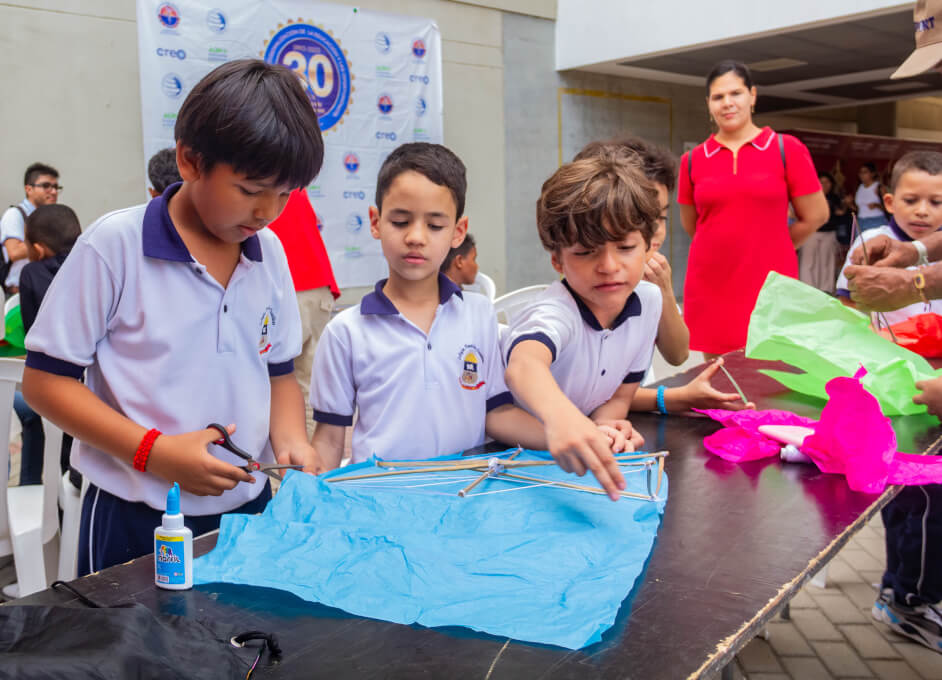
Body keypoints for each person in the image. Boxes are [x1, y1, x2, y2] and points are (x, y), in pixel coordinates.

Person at [22, 59, 324, 576]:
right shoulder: (114, 247)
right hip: (135, 517)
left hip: (248, 510)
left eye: (284, 194)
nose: (267, 212)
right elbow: (46, 383)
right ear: (190, 161)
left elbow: (278, 374)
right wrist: (153, 452)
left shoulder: (269, 253)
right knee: (131, 630)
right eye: (250, 190)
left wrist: (293, 442)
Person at [309, 143, 629, 500]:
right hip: (379, 499)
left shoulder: (478, 314)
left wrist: (579, 434)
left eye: (435, 225)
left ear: (458, 232)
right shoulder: (346, 332)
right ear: (375, 222)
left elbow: (497, 414)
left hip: (466, 496)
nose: (416, 237)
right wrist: (316, 502)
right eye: (400, 222)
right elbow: (330, 439)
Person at [845, 4, 942, 654]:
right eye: (912, 201)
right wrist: (915, 260)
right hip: (906, 392)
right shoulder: (877, 244)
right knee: (915, 500)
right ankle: (905, 593)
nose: (923, 212)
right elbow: (851, 310)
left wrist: (917, 280)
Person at [502, 152, 659, 477]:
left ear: (648, 246)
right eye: (586, 252)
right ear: (557, 261)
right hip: (512, 457)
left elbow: (620, 396)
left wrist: (606, 428)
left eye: (625, 248)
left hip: (572, 459)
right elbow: (524, 365)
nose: (609, 266)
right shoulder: (556, 313)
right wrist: (566, 421)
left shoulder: (649, 301)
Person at [571, 139, 751, 414]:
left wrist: (663, 290)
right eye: (641, 217)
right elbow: (587, 395)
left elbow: (678, 354)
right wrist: (673, 397)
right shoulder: (591, 289)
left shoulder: (647, 288)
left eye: (662, 218)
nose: (654, 230)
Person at [678, 60, 827, 359]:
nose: (727, 103)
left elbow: (817, 215)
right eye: (718, 97)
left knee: (772, 370)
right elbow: (694, 226)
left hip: (769, 284)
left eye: (736, 93)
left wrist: (775, 246)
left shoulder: (786, 148)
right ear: (708, 104)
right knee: (718, 375)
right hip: (712, 285)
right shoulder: (693, 160)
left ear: (752, 96)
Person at [837, 151, 942, 324]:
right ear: (889, 203)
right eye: (910, 200)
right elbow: (848, 301)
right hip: (885, 339)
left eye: (936, 202)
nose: (922, 211)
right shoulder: (872, 242)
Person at [267, 189, 339, 438]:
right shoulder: (293, 184)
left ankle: (288, 455)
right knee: (307, 384)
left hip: (286, 290)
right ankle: (306, 453)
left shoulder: (259, 183)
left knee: (277, 384)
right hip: (318, 288)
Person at [0, 162, 61, 295]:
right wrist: (49, 243)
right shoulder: (14, 214)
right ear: (28, 189)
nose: (54, 191)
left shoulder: (52, 218)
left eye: (56, 187)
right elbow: (14, 252)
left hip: (45, 292)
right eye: (46, 186)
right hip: (17, 295)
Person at [798, 172, 846, 295]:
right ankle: (807, 289)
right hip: (811, 232)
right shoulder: (809, 196)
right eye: (821, 182)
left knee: (827, 261)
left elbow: (840, 213)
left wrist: (844, 207)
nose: (824, 185)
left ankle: (826, 289)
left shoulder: (834, 198)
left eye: (827, 182)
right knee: (808, 262)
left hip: (829, 232)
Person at [853, 162, 886, 232]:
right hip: (860, 221)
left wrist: (877, 205)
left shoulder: (879, 187)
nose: (862, 175)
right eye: (860, 172)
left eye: (865, 172)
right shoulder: (859, 187)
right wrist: (849, 204)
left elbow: (889, 207)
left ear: (872, 174)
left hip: (876, 220)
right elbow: (858, 208)